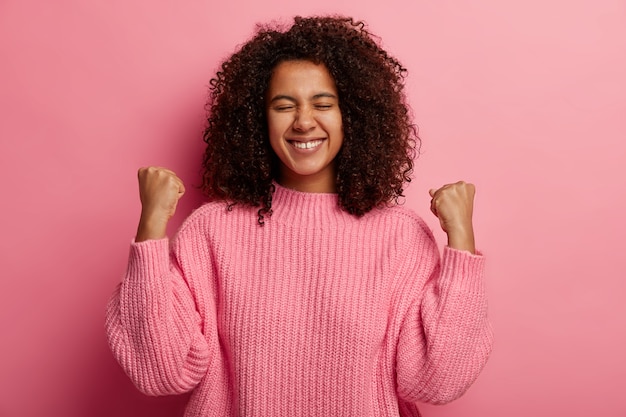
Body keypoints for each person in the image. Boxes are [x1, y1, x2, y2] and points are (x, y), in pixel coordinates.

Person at [105, 15, 493, 417]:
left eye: (323, 104)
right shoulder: (212, 231)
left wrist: (460, 240)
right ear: (258, 119)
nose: (304, 121)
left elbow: (437, 379)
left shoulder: (400, 236)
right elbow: (159, 370)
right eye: (284, 105)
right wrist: (151, 226)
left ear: (353, 116)